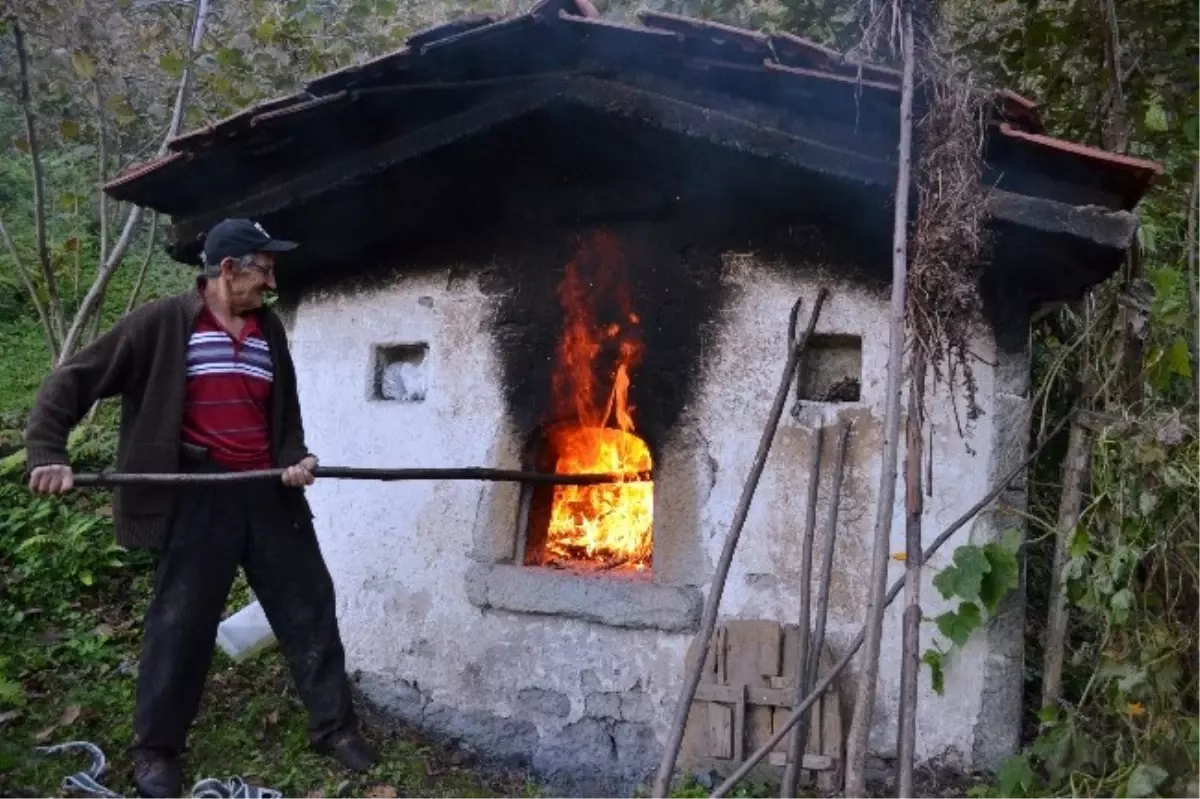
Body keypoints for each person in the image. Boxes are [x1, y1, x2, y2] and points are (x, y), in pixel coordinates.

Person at [25, 218, 378, 799]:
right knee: (180, 624)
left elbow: (285, 420)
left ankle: (334, 730)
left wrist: (294, 458)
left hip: (268, 493)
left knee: (309, 605)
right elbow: (73, 380)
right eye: (263, 268)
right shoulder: (162, 324)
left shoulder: (270, 332)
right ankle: (156, 751)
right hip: (197, 495)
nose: (271, 280)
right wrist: (47, 451)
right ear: (229, 268)